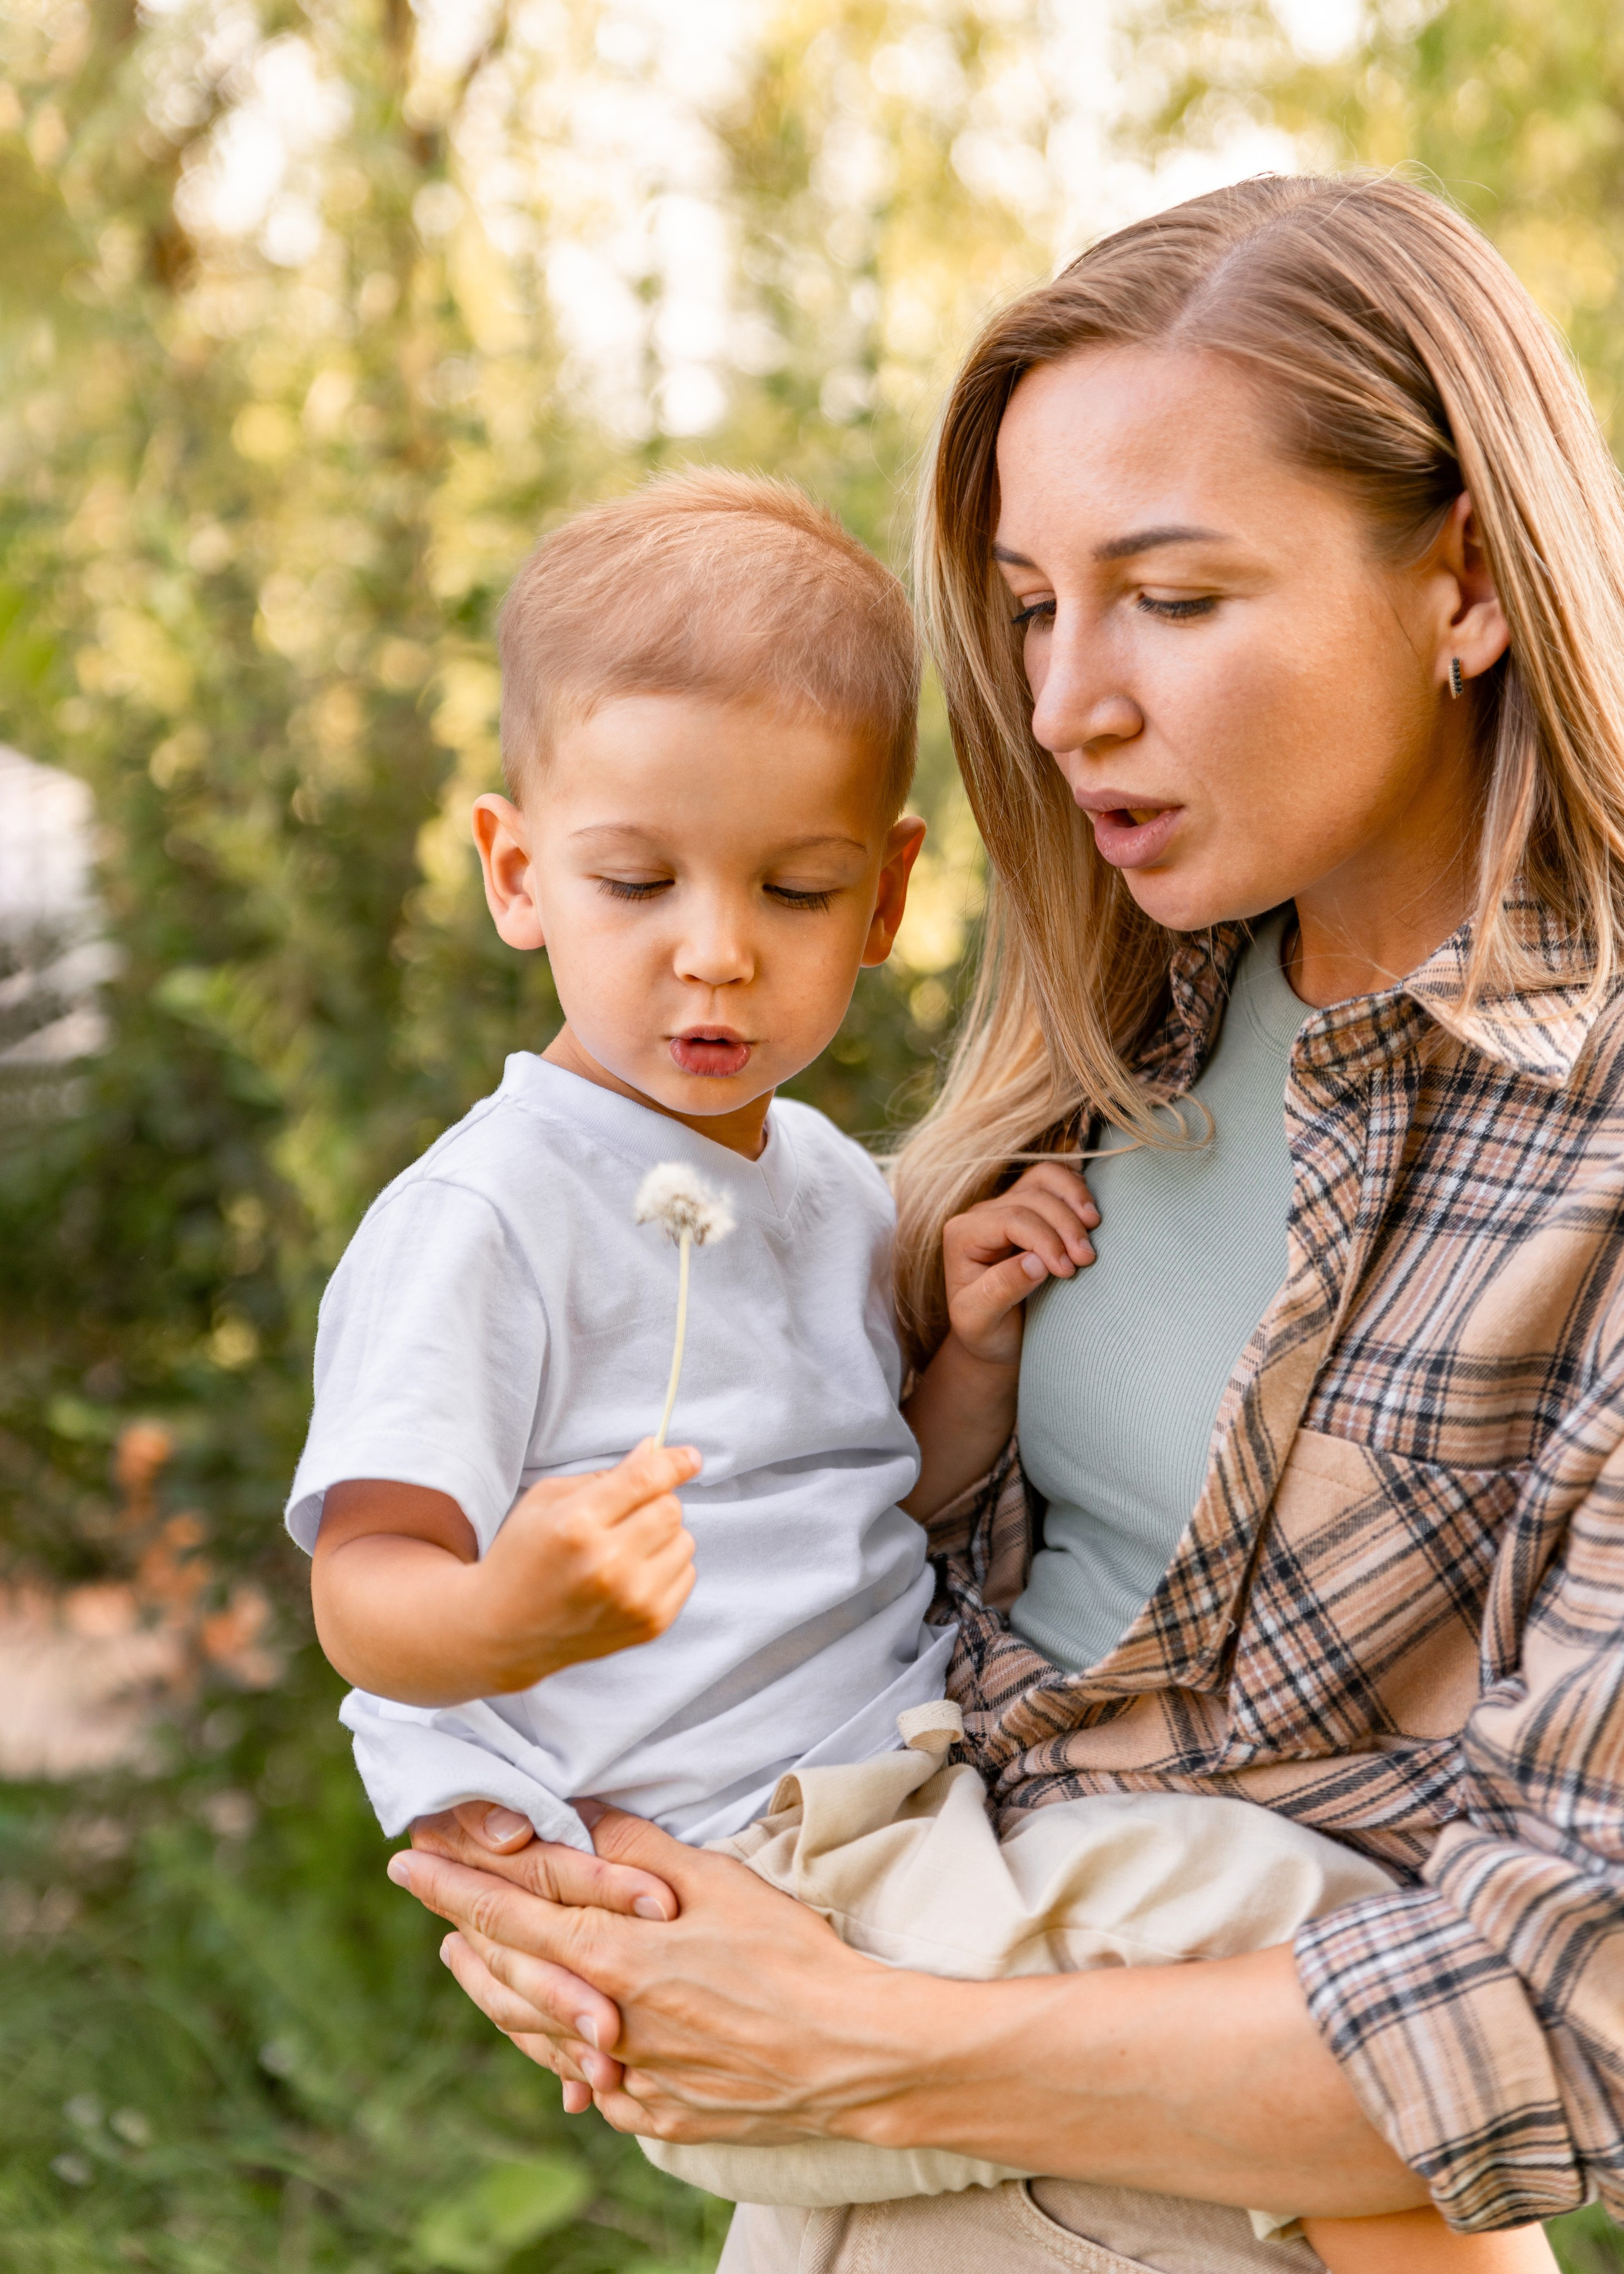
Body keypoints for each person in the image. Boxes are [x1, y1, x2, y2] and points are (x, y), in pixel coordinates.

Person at [388, 173, 1624, 2273]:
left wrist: (857, 2041)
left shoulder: (1585, 1149)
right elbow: (860, 1565)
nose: (1064, 708)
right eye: (1038, 606)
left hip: (1202, 2178)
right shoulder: (1128, 1011)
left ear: (1471, 585)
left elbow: (1579, 2001)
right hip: (891, 2086)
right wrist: (582, 1884)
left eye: (1174, 596)